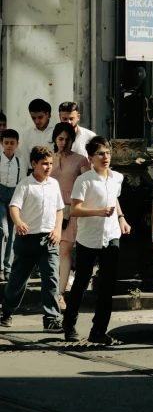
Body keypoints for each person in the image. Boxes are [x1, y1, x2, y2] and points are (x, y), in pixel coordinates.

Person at [62, 136, 131, 344]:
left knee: (107, 285)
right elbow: (75, 209)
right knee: (81, 282)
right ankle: (69, 324)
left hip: (111, 236)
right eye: (100, 154)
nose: (105, 157)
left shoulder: (117, 177)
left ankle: (99, 331)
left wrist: (121, 218)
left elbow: (114, 199)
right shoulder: (85, 180)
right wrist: (99, 211)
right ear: (90, 158)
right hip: (88, 238)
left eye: (108, 153)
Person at [0, 146, 63, 331]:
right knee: (18, 279)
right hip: (27, 239)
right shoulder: (25, 184)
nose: (48, 167)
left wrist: (58, 230)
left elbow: (59, 209)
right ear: (34, 164)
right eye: (44, 163)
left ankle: (51, 318)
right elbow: (14, 206)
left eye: (51, 163)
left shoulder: (54, 184)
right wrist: (18, 222)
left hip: (49, 239)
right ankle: (7, 311)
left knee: (51, 278)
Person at [50, 122, 89, 309]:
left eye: (67, 139)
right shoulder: (48, 158)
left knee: (65, 251)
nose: (63, 142)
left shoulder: (81, 159)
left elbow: (87, 184)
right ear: (55, 139)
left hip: (70, 209)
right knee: (49, 253)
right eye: (60, 139)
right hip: (49, 209)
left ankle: (60, 294)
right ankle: (51, 291)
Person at [0, 129, 23, 281]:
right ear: (1, 143)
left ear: (17, 144)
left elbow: (21, 182)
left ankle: (8, 267)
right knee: (3, 231)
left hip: (13, 197)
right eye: (6, 143)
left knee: (12, 233)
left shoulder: (20, 162)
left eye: (12, 143)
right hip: (0, 196)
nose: (9, 146)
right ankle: (0, 267)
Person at [21, 99, 55, 172]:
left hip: (53, 172)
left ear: (47, 114)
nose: (36, 121)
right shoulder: (28, 134)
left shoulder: (57, 131)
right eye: (33, 118)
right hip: (33, 173)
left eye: (40, 117)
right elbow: (25, 161)